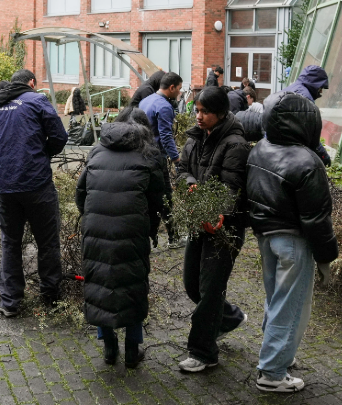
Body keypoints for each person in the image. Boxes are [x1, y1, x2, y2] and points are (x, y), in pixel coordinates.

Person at [246, 91, 338, 392]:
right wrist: (326, 258)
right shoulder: (308, 161)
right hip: (293, 243)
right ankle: (272, 373)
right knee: (291, 306)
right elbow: (316, 217)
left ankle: (277, 354)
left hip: (265, 237)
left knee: (276, 300)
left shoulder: (260, 148)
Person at [76, 106, 165, 368]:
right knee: (132, 285)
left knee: (102, 283)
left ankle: (108, 348)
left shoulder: (97, 150)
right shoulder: (149, 155)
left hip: (96, 227)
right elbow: (157, 200)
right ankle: (132, 351)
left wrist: (92, 217)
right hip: (132, 228)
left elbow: (81, 192)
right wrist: (151, 229)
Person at [0, 69, 69, 317]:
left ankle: (10, 302)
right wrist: (42, 154)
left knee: (10, 242)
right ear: (32, 83)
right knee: (48, 241)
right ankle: (50, 297)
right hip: (36, 184)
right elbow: (60, 137)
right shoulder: (37, 100)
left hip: (5, 186)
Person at [176, 86, 251, 372]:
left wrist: (217, 211)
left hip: (225, 228)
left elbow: (232, 187)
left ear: (220, 113)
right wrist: (189, 182)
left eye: (205, 111)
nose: (198, 115)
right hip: (199, 220)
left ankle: (203, 353)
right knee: (192, 284)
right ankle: (230, 318)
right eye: (196, 110)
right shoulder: (195, 138)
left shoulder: (235, 144)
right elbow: (181, 170)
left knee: (209, 290)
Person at [139, 72, 183, 246]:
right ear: (171, 87)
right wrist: (176, 158)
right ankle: (174, 237)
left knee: (148, 196)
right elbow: (166, 136)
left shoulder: (146, 101)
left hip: (142, 154)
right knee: (165, 196)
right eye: (179, 89)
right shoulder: (164, 107)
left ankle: (148, 236)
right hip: (157, 158)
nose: (179, 93)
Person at [283, 65, 332, 167]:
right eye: (320, 87)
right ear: (315, 84)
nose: (321, 91)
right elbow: (309, 134)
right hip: (289, 155)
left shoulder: (289, 89)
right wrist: (323, 155)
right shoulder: (305, 99)